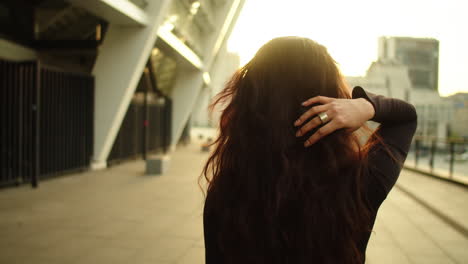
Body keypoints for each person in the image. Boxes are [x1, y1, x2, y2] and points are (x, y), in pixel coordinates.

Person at [201, 36, 417, 264]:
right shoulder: (359, 182)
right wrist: (366, 105)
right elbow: (406, 117)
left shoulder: (227, 190)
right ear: (332, 99)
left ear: (247, 104)